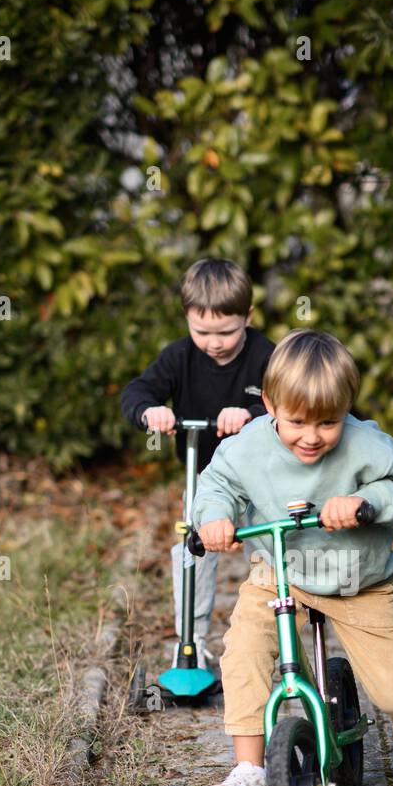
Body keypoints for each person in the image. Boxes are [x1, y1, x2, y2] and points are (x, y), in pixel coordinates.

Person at [191, 327, 393, 786]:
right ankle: (250, 772)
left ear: (346, 409)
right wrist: (214, 518)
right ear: (270, 404)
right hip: (282, 571)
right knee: (243, 653)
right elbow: (217, 483)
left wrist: (366, 501)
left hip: (356, 579)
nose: (312, 437)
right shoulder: (248, 446)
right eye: (297, 422)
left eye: (328, 423)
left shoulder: (363, 443)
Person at [120, 258, 274, 667]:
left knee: (269, 551)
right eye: (202, 331)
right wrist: (150, 411)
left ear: (248, 317)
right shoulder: (179, 357)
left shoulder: (265, 355)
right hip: (208, 478)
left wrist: (252, 413)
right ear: (187, 319)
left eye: (227, 331)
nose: (215, 342)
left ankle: (278, 639)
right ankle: (193, 644)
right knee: (193, 550)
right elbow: (137, 392)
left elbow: (289, 402)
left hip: (264, 478)